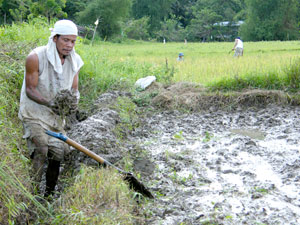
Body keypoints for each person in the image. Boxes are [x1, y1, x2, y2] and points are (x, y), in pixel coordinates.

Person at [18, 20, 84, 198]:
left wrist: (72, 105)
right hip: (34, 112)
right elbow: (30, 90)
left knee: (58, 153)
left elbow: (74, 90)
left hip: (55, 118)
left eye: (73, 41)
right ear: (55, 38)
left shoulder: (74, 62)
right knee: (41, 148)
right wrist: (49, 103)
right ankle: (31, 194)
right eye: (66, 40)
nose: (69, 45)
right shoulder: (36, 57)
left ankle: (48, 195)